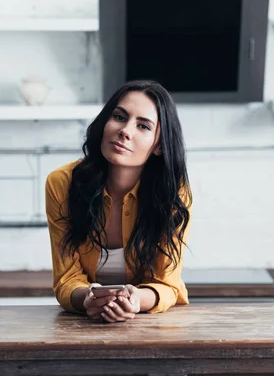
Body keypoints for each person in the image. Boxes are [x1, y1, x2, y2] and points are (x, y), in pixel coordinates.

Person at [45, 80, 192, 323]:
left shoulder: (174, 193)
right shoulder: (62, 183)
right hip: (84, 326)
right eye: (119, 117)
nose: (125, 130)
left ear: (159, 146)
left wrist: (135, 300)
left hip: (154, 323)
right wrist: (89, 299)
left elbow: (167, 284)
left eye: (143, 126)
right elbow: (66, 279)